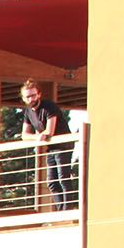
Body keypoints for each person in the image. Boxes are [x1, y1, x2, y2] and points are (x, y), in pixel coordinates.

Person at [19, 79, 76, 212]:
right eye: (28, 96)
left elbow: (49, 131)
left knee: (63, 178)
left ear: (39, 94)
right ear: (23, 98)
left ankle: (67, 209)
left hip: (63, 144)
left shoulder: (49, 106)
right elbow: (24, 135)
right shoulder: (28, 112)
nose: (31, 99)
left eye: (33, 95)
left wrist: (41, 136)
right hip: (51, 148)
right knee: (51, 182)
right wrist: (37, 137)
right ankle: (60, 209)